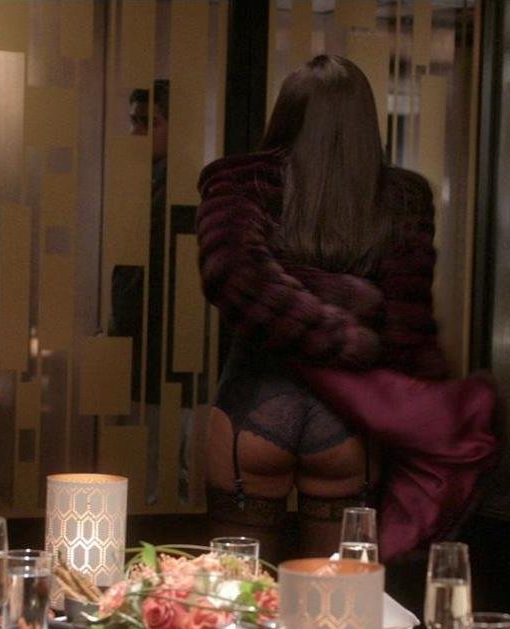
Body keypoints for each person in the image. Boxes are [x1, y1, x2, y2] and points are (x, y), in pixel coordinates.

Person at [195, 55, 494, 559]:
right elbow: (407, 328)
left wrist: (319, 317)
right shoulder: (403, 197)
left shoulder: (238, 180)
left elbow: (235, 274)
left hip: (255, 401)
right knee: (338, 597)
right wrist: (354, 329)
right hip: (348, 422)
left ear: (287, 114)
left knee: (234, 594)